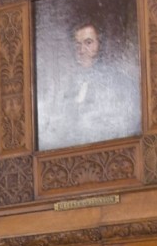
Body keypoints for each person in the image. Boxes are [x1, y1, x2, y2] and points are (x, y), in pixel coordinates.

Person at [40, 21, 138, 150]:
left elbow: (125, 127)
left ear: (99, 44)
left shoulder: (117, 81)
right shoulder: (69, 85)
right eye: (78, 44)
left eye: (88, 43)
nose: (81, 50)